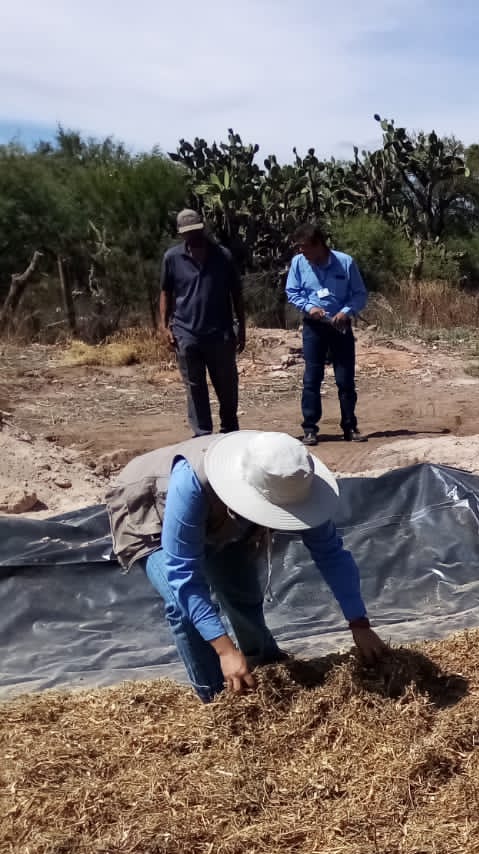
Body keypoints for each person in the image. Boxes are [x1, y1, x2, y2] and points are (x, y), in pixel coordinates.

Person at [105, 430, 387, 700]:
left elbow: (331, 553)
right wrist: (225, 650)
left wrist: (359, 623)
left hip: (222, 516)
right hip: (150, 508)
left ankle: (265, 664)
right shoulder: (192, 482)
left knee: (240, 591)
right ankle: (216, 695)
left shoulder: (293, 480)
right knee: (182, 608)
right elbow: (183, 572)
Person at [159, 208, 247, 436]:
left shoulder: (223, 255)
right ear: (181, 233)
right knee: (195, 387)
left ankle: (230, 431)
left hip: (220, 333)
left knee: (227, 387)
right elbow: (166, 292)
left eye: (196, 230)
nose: (193, 235)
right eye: (188, 232)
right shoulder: (172, 258)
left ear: (203, 227)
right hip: (186, 333)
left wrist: (242, 328)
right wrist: (164, 326)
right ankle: (203, 435)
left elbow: (236, 294)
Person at [286, 222, 369, 445]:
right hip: (314, 327)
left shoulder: (345, 262)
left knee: (345, 380)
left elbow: (359, 294)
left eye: (305, 247)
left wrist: (345, 312)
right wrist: (309, 307)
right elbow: (292, 292)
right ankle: (310, 429)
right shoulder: (298, 263)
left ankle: (350, 427)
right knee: (312, 379)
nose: (301, 252)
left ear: (319, 244)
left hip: (340, 327)